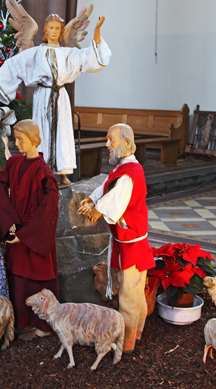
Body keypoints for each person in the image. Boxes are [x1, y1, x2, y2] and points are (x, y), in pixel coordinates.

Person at [0, 9, 111, 186]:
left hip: (60, 97)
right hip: (43, 97)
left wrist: (97, 31)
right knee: (41, 134)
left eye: (57, 29)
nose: (54, 31)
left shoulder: (67, 53)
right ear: (45, 31)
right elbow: (15, 64)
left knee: (62, 134)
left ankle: (63, 174)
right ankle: (41, 172)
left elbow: (89, 57)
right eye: (51, 28)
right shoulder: (36, 52)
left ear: (61, 32)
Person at [77, 123, 155, 353]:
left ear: (126, 144)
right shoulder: (124, 166)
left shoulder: (131, 173)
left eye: (111, 140)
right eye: (107, 139)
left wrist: (98, 210)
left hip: (132, 243)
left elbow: (118, 198)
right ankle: (136, 333)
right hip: (128, 241)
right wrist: (93, 200)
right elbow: (107, 187)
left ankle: (127, 342)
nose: (107, 144)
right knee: (134, 292)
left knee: (130, 296)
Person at [0, 119, 59, 339]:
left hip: (34, 232)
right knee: (19, 278)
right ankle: (22, 322)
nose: (16, 144)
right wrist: (9, 219)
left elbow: (50, 205)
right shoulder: (15, 164)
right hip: (19, 228)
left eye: (20, 139)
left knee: (38, 278)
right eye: (15, 139)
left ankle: (43, 325)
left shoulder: (43, 171)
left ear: (33, 139)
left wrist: (27, 234)